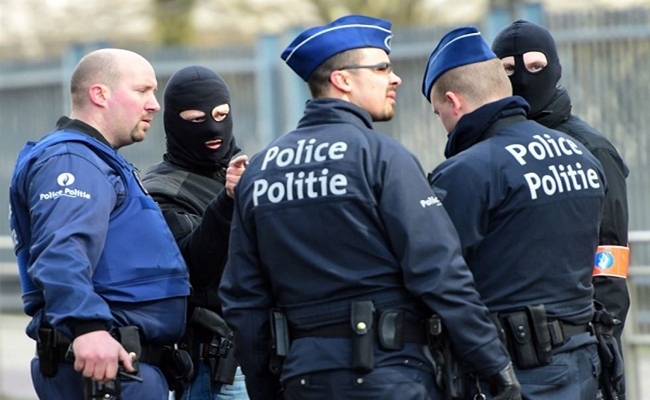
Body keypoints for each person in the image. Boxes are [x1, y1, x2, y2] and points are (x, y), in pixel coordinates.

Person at [219, 15, 521, 400]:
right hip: (390, 373)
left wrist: (265, 387)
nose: (395, 79)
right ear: (342, 80)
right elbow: (438, 270)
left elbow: (243, 298)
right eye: (381, 68)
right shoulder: (382, 156)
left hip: (304, 378)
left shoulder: (262, 169)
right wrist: (492, 362)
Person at [421, 26, 607, 399]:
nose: (444, 125)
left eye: (439, 112)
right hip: (584, 364)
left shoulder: (466, 172)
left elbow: (437, 277)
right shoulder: (581, 154)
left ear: (454, 103)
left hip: (515, 374)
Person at [8, 48, 191, 399]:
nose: (154, 105)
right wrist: (86, 326)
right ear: (100, 94)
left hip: (119, 366)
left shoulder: (94, 159)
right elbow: (61, 249)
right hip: (103, 367)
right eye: (142, 90)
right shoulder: (73, 160)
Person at [491, 20, 629, 398]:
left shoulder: (591, 149)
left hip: (578, 351)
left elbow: (609, 262)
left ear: (554, 68)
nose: (522, 79)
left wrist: (603, 345)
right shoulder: (487, 151)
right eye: (507, 69)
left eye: (535, 66)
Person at [141, 65, 249, 400]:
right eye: (196, 119)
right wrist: (227, 202)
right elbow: (190, 267)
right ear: (175, 122)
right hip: (218, 366)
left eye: (221, 115)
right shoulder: (161, 191)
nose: (213, 128)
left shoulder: (249, 172)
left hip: (269, 358)